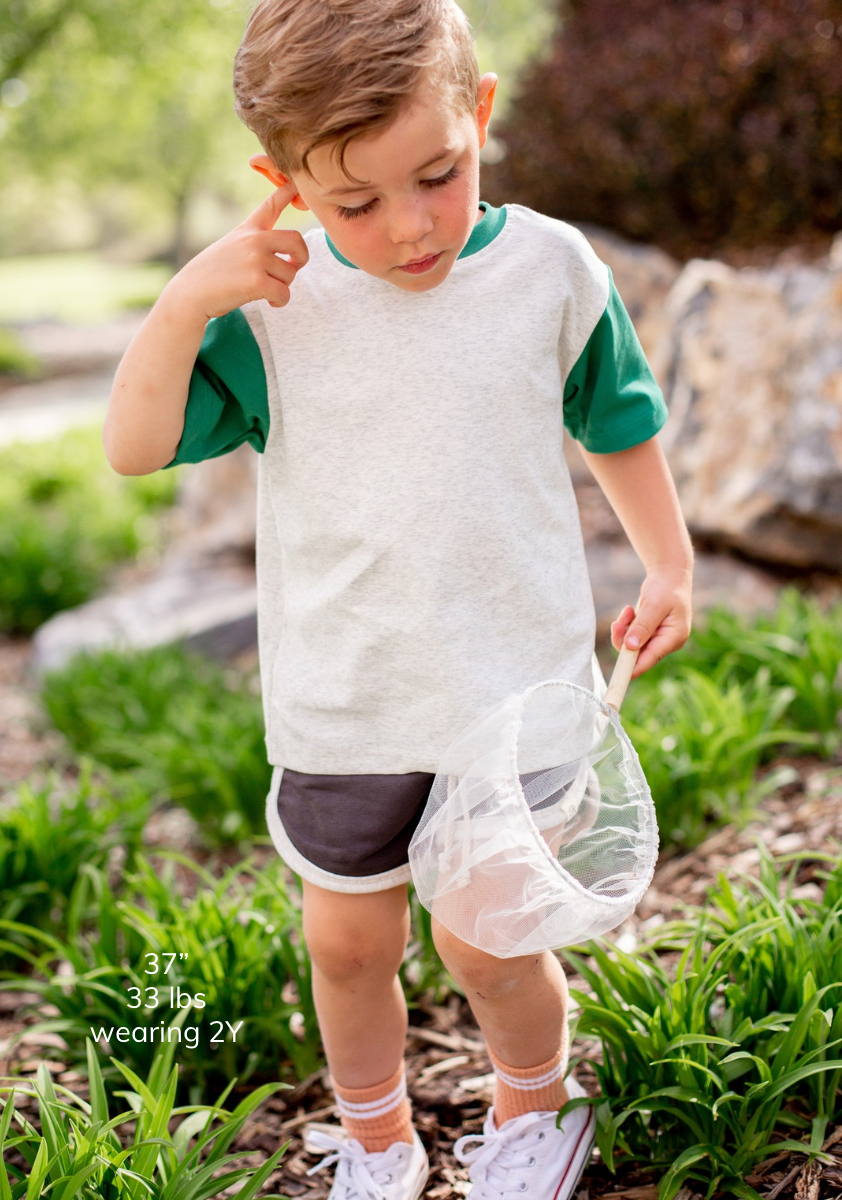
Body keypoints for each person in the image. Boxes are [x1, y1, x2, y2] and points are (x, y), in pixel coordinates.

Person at [103, 1, 694, 1197]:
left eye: (440, 175)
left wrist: (669, 564)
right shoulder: (271, 305)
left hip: (512, 689)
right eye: (354, 203)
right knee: (346, 943)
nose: (410, 228)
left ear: (480, 117)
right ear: (284, 185)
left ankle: (535, 1110)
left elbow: (617, 418)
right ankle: (376, 1137)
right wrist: (184, 307)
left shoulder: (549, 270)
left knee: (489, 942)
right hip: (348, 699)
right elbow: (133, 445)